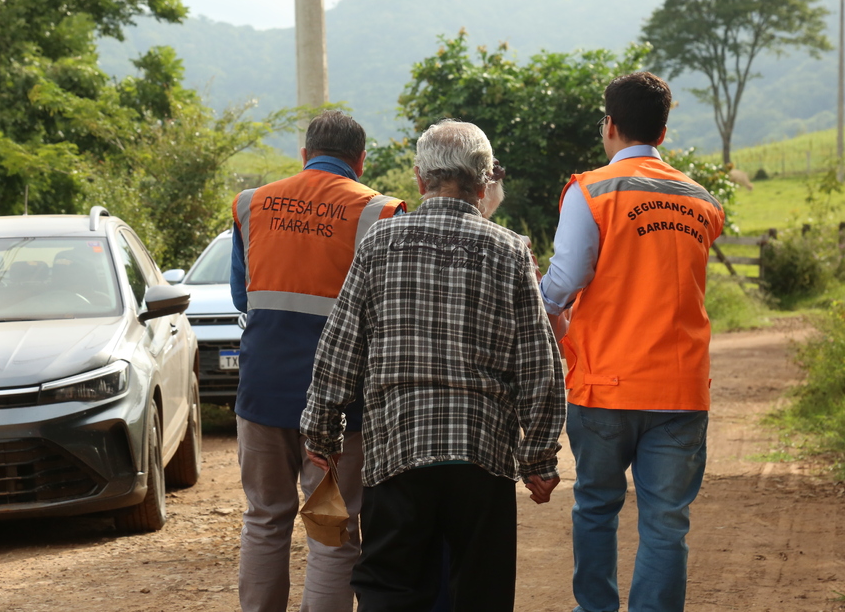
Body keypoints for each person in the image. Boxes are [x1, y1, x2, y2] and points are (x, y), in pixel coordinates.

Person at [300, 119, 565, 612]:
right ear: (484, 185)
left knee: (391, 589)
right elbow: (539, 362)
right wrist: (538, 459)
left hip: (397, 450)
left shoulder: (380, 244)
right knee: (480, 593)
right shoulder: (510, 251)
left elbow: (339, 348)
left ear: (420, 180)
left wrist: (321, 434)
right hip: (481, 457)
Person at [539, 71, 725, 612]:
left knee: (596, 505)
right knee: (666, 523)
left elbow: (565, 280)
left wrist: (542, 305)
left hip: (605, 385)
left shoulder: (591, 190)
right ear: (663, 132)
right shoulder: (702, 200)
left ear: (610, 126)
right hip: (681, 389)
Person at [230, 110, 406, 612]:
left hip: (261, 391)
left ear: (305, 155)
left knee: (265, 518)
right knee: (335, 526)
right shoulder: (380, 212)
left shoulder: (251, 204)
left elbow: (244, 299)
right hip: (341, 400)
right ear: (361, 159)